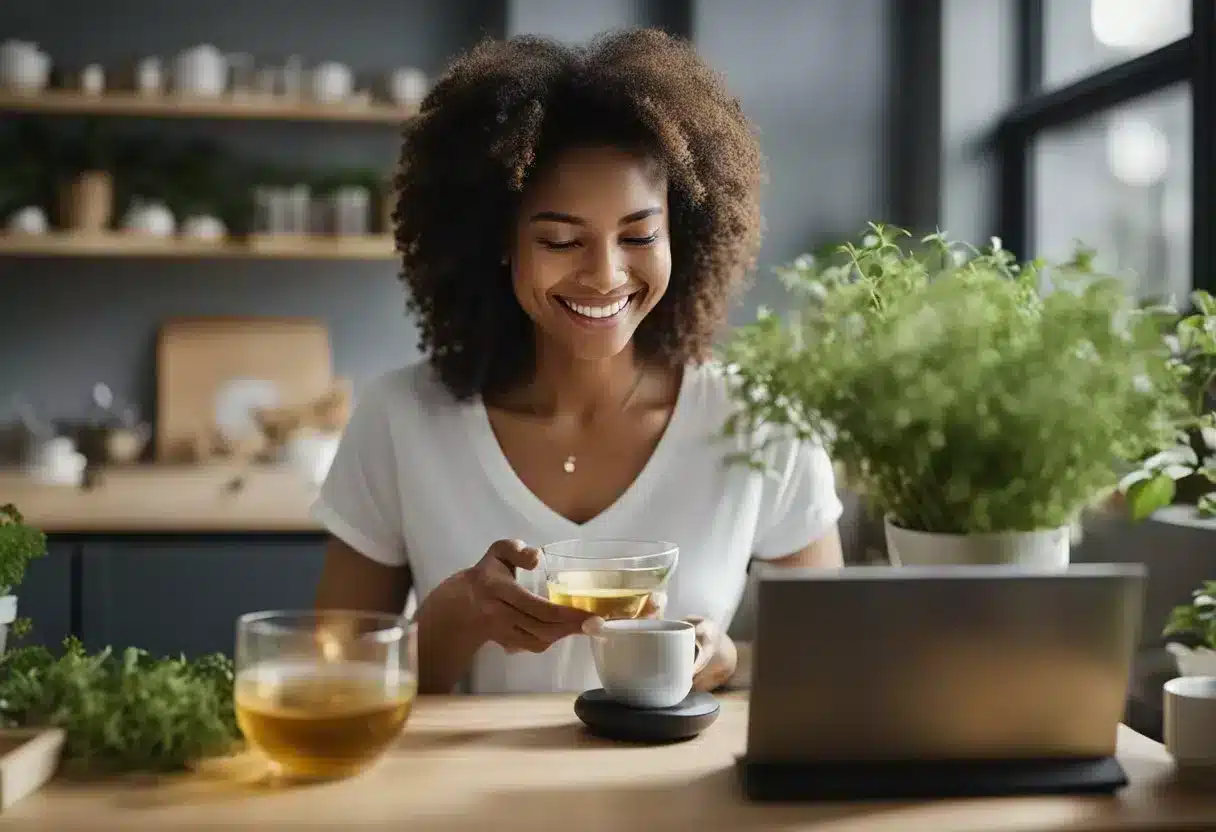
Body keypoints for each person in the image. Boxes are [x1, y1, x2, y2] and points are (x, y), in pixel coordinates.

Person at [313, 28, 844, 696]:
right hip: (455, 798)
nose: (604, 275)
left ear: (684, 233)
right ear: (501, 241)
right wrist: (450, 621)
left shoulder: (759, 422)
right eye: (562, 239)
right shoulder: (400, 421)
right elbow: (325, 676)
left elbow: (836, 663)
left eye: (639, 235)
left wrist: (726, 660)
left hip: (681, 800)